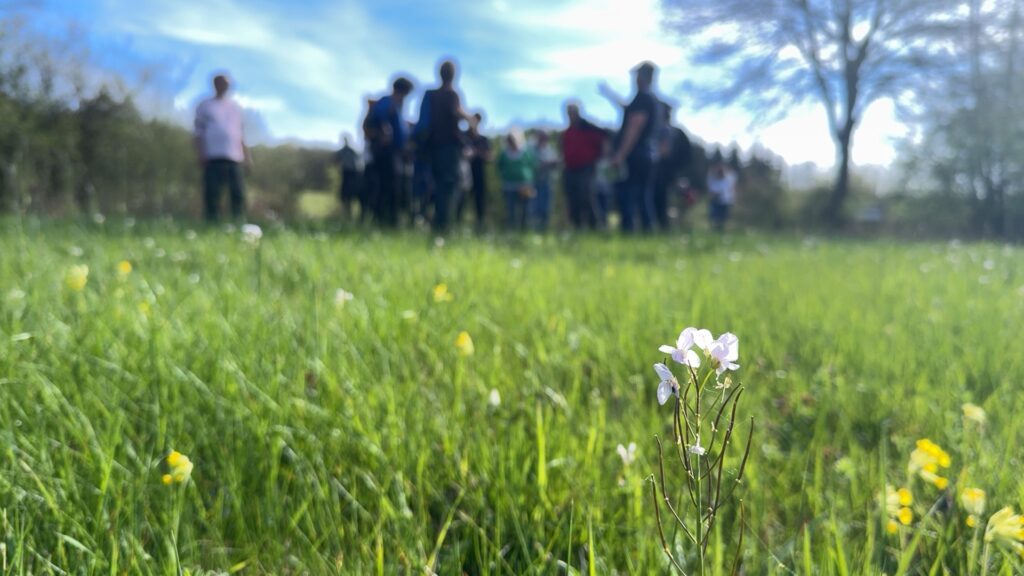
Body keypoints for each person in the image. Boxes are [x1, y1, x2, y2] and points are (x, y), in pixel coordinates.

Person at [417, 60, 472, 234]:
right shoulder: (451, 94)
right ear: (454, 75)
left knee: (436, 184)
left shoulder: (430, 95)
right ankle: (443, 225)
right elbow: (457, 112)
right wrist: (471, 120)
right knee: (448, 185)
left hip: (433, 148)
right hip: (449, 149)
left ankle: (432, 220)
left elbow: (423, 123)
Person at [609, 61, 661, 233]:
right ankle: (647, 233)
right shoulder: (652, 100)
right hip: (648, 155)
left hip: (636, 155)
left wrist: (620, 155)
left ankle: (629, 232)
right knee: (643, 196)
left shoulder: (642, 98)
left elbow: (634, 128)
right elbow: (628, 109)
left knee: (629, 196)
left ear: (642, 77)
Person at [194, 73, 249, 222]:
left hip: (235, 157)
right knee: (212, 192)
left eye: (227, 84)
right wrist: (201, 153)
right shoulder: (205, 106)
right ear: (215, 84)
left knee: (237, 192)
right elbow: (198, 132)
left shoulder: (235, 108)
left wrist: (246, 155)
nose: (224, 86)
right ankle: (212, 222)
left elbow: (240, 134)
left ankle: (238, 222)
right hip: (213, 156)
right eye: (221, 83)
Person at [364, 77, 414, 228]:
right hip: (386, 154)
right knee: (388, 187)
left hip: (394, 154)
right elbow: (379, 118)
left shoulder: (396, 106)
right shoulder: (387, 102)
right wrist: (384, 131)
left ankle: (388, 220)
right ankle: (385, 221)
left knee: (393, 187)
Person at [561, 102, 606, 229]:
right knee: (573, 198)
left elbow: (605, 140)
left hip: (586, 168)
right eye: (568, 112)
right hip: (570, 169)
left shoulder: (590, 128)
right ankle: (577, 226)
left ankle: (595, 225)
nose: (570, 115)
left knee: (586, 197)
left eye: (573, 112)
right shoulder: (568, 132)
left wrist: (600, 158)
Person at [652, 104, 692, 230]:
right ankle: (663, 227)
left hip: (663, 173)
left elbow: (665, 151)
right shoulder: (677, 132)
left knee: (661, 200)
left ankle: (663, 227)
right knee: (663, 200)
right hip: (671, 174)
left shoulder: (664, 130)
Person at [498, 128, 535, 231]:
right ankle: (511, 231)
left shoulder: (526, 151)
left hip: (525, 185)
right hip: (509, 186)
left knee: (526, 210)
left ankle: (525, 231)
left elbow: (533, 165)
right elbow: (499, 166)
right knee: (511, 210)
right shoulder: (504, 153)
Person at [530, 131, 558, 230]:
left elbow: (556, 162)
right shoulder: (531, 149)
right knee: (534, 207)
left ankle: (544, 228)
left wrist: (551, 164)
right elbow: (532, 165)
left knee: (546, 208)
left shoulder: (550, 149)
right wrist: (544, 164)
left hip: (548, 182)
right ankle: (534, 228)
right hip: (534, 182)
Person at [335, 133, 362, 220]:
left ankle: (351, 216)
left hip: (353, 175)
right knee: (345, 197)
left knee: (351, 196)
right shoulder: (342, 151)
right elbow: (335, 160)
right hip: (345, 174)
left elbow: (359, 162)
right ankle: (346, 216)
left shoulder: (352, 151)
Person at [707, 161, 738, 232]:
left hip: (725, 201)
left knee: (723, 218)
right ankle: (717, 229)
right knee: (715, 217)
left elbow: (733, 176)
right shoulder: (714, 180)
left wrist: (733, 199)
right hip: (716, 201)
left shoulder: (728, 179)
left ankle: (720, 229)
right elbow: (712, 189)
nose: (720, 173)